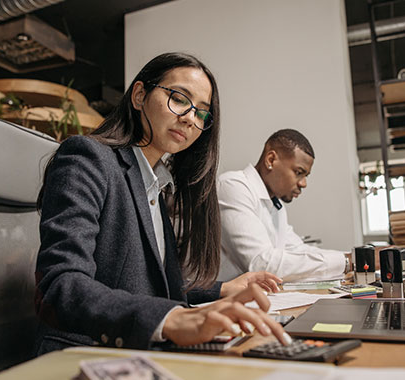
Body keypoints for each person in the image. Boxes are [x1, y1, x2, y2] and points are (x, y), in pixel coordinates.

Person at [33, 52, 290, 355]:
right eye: (179, 99)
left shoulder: (158, 183)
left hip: (141, 351)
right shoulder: (87, 159)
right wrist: (171, 318)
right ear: (140, 95)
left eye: (201, 113)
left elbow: (146, 285)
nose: (190, 119)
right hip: (86, 354)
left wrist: (222, 289)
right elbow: (62, 285)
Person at [217, 129, 350, 283]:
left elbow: (299, 250)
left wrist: (354, 258)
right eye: (299, 172)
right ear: (271, 160)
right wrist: (347, 262)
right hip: (210, 303)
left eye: (305, 176)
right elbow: (261, 264)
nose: (303, 184)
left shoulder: (276, 205)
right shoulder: (233, 186)